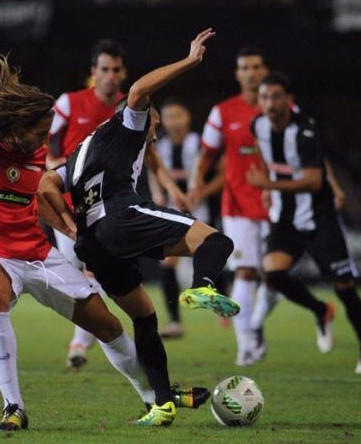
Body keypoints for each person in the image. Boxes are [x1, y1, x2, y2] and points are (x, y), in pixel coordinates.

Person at [0, 51, 204, 431]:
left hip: (39, 257)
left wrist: (72, 229)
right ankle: (14, 407)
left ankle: (154, 397)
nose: (44, 141)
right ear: (15, 126)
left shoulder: (35, 153)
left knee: (107, 325)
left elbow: (33, 202)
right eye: (39, 133)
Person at [38, 28, 238, 426]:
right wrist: (189, 61)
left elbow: (44, 187)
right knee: (217, 242)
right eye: (156, 121)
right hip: (120, 217)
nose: (157, 126)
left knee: (144, 318)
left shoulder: (80, 151)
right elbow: (137, 91)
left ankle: (161, 403)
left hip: (93, 241)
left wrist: (73, 230)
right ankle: (204, 285)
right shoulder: (128, 124)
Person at [247, 72, 361, 374]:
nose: (269, 103)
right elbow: (264, 154)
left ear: (289, 100)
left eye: (276, 96)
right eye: (264, 97)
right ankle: (321, 311)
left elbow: (312, 178)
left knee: (344, 286)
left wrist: (269, 183)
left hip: (318, 217)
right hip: (285, 219)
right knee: (273, 273)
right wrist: (269, 188)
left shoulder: (304, 129)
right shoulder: (259, 126)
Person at [190, 46, 278, 366]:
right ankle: (244, 346)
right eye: (245, 68)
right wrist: (196, 182)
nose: (251, 73)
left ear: (265, 71)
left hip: (277, 203)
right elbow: (207, 153)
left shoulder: (281, 108)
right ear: (238, 74)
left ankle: (254, 326)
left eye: (256, 67)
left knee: (276, 277)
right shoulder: (223, 112)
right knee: (244, 272)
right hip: (238, 205)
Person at [47, 39, 127, 369]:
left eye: (116, 70)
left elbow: (144, 152)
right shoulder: (70, 102)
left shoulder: (128, 108)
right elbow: (45, 139)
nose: (110, 75)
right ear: (94, 73)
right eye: (104, 69)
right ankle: (91, 334)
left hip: (105, 206)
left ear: (124, 73)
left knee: (93, 270)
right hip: (65, 205)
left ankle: (80, 341)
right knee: (74, 274)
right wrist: (52, 163)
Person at [147, 98, 209, 339]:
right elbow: (154, 170)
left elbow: (221, 173)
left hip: (201, 210)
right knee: (168, 262)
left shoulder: (198, 144)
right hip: (173, 212)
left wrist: (201, 192)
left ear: (188, 118)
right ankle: (174, 321)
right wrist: (158, 194)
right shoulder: (159, 146)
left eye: (178, 116)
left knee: (210, 254)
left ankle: (220, 300)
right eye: (169, 117)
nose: (174, 122)